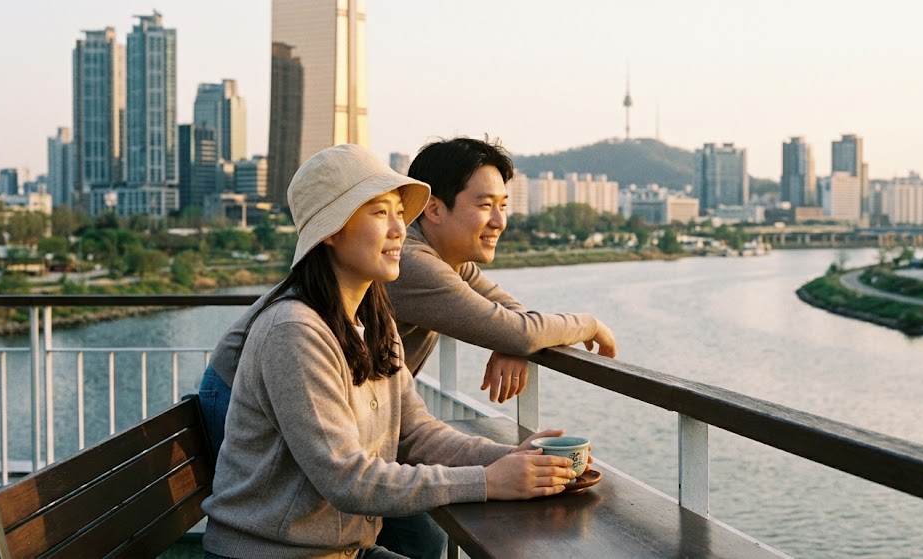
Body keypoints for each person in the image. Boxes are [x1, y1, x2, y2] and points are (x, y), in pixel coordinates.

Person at [197, 136, 616, 558]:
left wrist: (514, 459)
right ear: (330, 231)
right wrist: (490, 480)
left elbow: (415, 433)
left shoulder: (374, 319)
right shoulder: (296, 330)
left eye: (400, 213)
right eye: (381, 213)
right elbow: (346, 479)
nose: (401, 229)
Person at [386, 137, 617, 402]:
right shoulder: (409, 261)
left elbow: (512, 319)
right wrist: (589, 324)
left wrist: (509, 341)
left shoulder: (451, 262)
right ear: (435, 209)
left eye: (503, 206)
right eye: (485, 205)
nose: (498, 221)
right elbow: (521, 331)